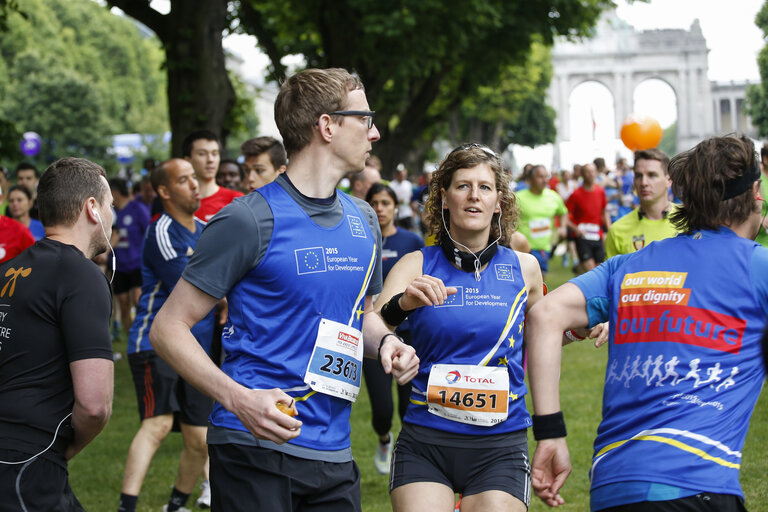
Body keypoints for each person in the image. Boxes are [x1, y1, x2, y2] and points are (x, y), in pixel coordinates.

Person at [148, 67, 419, 512]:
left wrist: (388, 341)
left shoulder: (365, 219)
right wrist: (238, 399)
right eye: (365, 118)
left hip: (333, 450)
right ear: (327, 126)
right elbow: (168, 327)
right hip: (255, 446)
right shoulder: (248, 219)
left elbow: (361, 316)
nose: (375, 132)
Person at [526, 134, 768, 511]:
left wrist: (550, 434)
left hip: (613, 486)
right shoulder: (756, 266)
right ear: (756, 193)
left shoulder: (629, 264)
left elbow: (543, 315)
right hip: (697, 483)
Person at [376, 143, 565, 511]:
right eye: (462, 186)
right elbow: (375, 320)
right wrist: (403, 306)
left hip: (500, 443)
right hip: (426, 441)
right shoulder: (416, 263)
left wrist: (578, 328)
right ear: (444, 198)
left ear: (499, 202)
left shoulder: (525, 267)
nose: (473, 196)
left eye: (485, 187)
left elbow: (538, 335)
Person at [0, 157, 114, 511]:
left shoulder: (6, 271)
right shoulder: (80, 274)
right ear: (92, 208)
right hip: (28, 458)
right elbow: (95, 405)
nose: (112, 215)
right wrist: (61, 448)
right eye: (109, 204)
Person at [118, 159, 214, 512]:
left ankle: (175, 506)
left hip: (195, 350)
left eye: (195, 179)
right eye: (184, 179)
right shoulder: (160, 231)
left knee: (199, 440)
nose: (195, 185)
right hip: (154, 342)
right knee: (157, 424)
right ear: (164, 191)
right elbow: (195, 287)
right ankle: (126, 507)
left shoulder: (207, 229)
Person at [363, 183, 424, 474]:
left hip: (410, 334)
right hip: (374, 332)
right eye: (374, 202)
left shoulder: (411, 241)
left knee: (407, 404)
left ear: (395, 207)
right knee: (382, 410)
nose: (380, 208)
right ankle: (384, 438)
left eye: (385, 203)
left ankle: (407, 453)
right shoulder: (361, 239)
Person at [605, 149, 677, 258]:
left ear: (669, 180)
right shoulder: (617, 230)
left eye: (652, 175)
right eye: (639, 176)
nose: (644, 183)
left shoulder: (690, 221)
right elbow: (612, 274)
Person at [108, 178, 151, 341]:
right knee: (123, 305)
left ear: (115, 192)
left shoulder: (137, 209)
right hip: (118, 266)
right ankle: (132, 339)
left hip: (137, 264)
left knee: (138, 300)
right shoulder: (110, 213)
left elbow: (149, 234)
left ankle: (145, 338)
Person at [515, 165, 568, 278]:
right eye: (540, 177)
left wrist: (563, 227)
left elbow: (563, 212)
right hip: (523, 248)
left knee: (540, 281)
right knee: (522, 281)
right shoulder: (519, 197)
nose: (544, 180)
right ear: (531, 179)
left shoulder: (553, 196)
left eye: (546, 176)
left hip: (544, 248)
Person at [182, 130, 243, 222]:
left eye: (214, 153)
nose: (210, 159)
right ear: (187, 160)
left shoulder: (236, 200)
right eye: (202, 154)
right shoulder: (178, 203)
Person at [566, 162, 610, 273]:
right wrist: (575, 229)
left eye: (593, 171)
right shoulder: (576, 194)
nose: (591, 174)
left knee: (599, 268)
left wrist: (610, 229)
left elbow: (604, 212)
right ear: (582, 174)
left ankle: (579, 269)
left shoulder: (600, 192)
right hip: (583, 237)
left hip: (597, 235)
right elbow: (565, 216)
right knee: (591, 270)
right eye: (588, 172)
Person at [391, 164, 415, 229]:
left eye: (403, 174)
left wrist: (413, 210)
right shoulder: (392, 185)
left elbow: (411, 199)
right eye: (400, 174)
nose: (402, 176)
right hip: (396, 214)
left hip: (407, 213)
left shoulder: (408, 184)